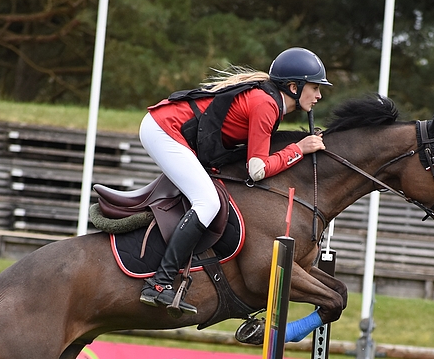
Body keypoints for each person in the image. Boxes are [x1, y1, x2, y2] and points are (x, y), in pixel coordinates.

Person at [138, 47, 331, 315]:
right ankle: (159, 283)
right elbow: (257, 170)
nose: (319, 95)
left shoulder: (270, 102)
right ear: (294, 87)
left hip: (170, 128)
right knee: (207, 203)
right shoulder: (266, 104)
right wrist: (299, 149)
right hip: (164, 129)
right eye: (314, 87)